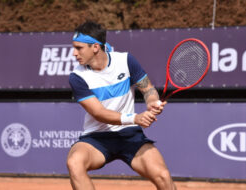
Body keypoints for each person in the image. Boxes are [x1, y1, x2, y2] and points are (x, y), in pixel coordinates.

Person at [67, 21, 176, 190]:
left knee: (163, 176)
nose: (74, 53)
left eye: (79, 48)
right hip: (97, 138)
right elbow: (98, 113)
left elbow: (148, 89)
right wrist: (135, 118)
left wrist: (152, 101)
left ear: (95, 47)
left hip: (129, 135)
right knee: (74, 163)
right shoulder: (77, 77)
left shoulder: (126, 60)